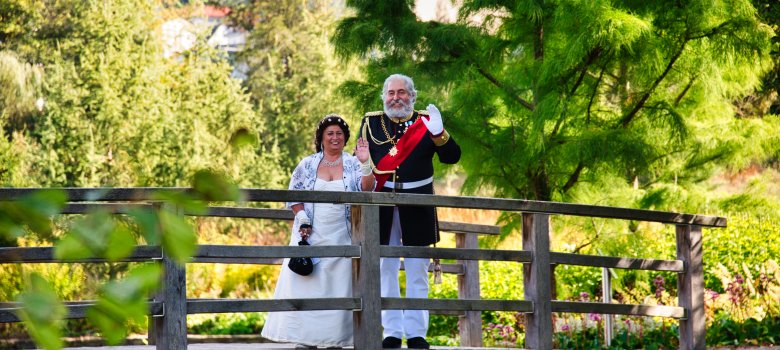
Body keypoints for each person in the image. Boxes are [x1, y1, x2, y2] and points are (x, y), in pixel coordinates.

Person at [360, 74, 461, 349]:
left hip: (418, 199)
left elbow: (452, 157)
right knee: (385, 267)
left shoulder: (426, 121)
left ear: (412, 96)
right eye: (391, 93)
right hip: (382, 200)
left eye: (402, 92)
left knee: (417, 268)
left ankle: (417, 333)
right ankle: (392, 332)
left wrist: (439, 134)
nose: (396, 98)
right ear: (384, 97)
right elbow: (364, 164)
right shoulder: (370, 122)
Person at [262, 114, 375, 349]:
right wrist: (302, 217)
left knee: (338, 286)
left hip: (342, 233)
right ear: (321, 138)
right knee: (309, 285)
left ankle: (335, 340)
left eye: (339, 134)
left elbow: (367, 189)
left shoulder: (354, 163)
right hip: (309, 234)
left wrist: (365, 161)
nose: (335, 137)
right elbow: (294, 194)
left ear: (345, 138)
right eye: (330, 133)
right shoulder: (308, 164)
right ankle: (306, 339)